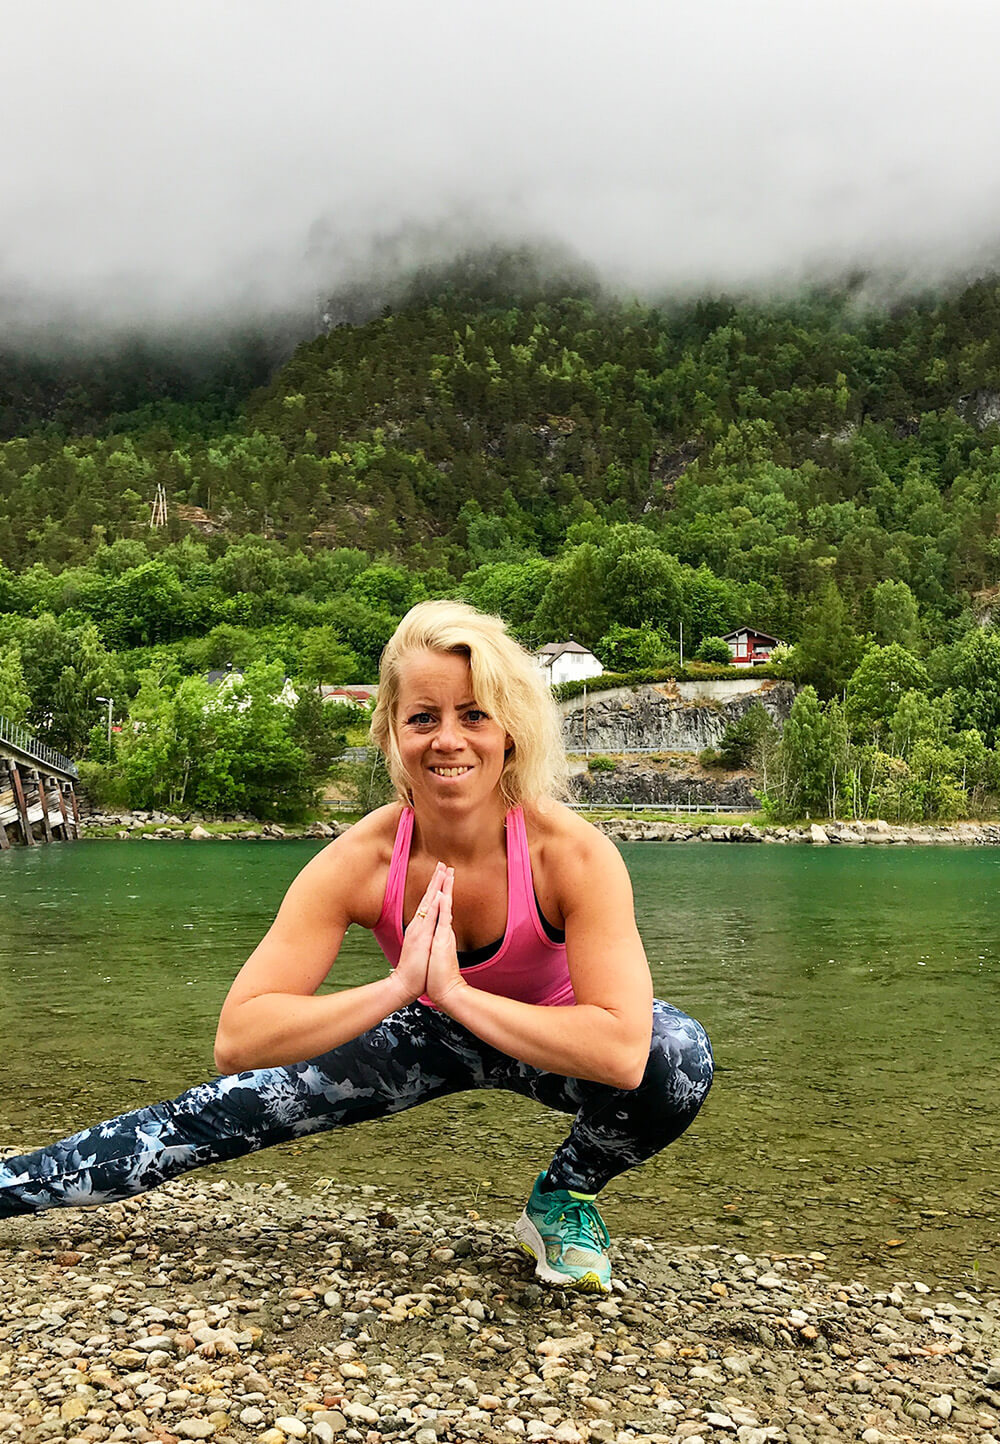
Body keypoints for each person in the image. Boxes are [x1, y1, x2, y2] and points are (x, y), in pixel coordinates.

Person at [0, 601, 713, 1293]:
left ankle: (563, 1200)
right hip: (422, 1030)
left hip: (546, 1037)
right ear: (392, 734)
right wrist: (401, 989)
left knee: (677, 1056)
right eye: (423, 717)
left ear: (510, 731)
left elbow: (621, 1051)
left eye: (474, 715)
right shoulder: (365, 861)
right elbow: (239, 1037)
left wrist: (460, 991)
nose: (448, 739)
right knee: (203, 1117)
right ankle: (11, 1188)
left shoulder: (572, 855)